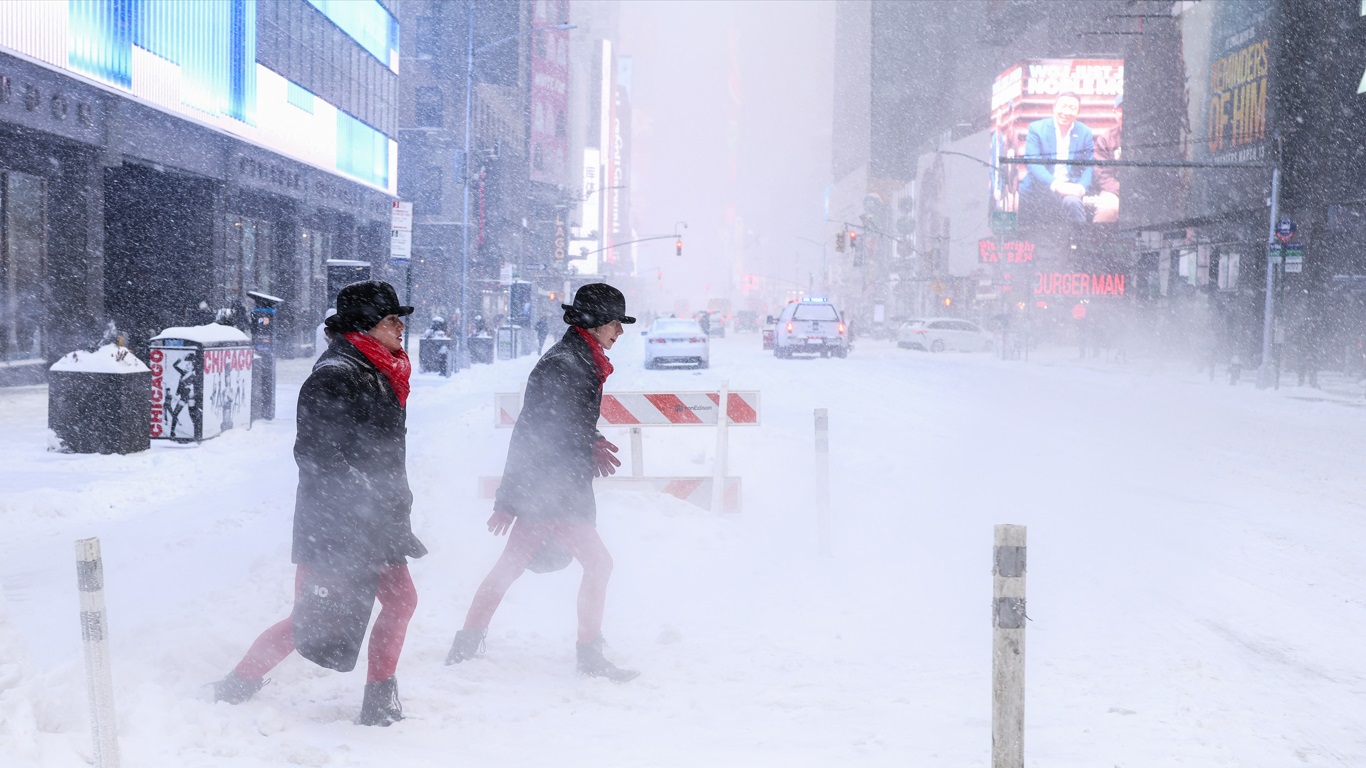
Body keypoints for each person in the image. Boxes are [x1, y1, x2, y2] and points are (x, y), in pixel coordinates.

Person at [212, 281, 426, 726]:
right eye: (391, 319)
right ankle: (235, 686)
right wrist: (366, 500)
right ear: (365, 325)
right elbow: (316, 456)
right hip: (338, 525)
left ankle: (378, 700)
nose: (400, 327)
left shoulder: (378, 369)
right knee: (309, 622)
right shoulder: (336, 374)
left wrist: (388, 506)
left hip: (376, 521)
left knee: (401, 600)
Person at [445, 282, 639, 683]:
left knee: (512, 566)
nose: (620, 332)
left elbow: (567, 423)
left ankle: (466, 643)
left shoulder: (580, 358)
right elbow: (534, 431)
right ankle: (588, 654)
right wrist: (509, 499)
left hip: (553, 485)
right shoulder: (564, 363)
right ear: (597, 322)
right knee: (598, 564)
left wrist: (592, 440)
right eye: (616, 323)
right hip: (553, 487)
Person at [1017, 92, 1095, 229]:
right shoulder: (1036, 129)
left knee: (1074, 204)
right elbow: (1033, 162)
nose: (1066, 112)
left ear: (1078, 112)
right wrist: (1056, 184)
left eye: (1072, 107)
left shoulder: (1085, 132)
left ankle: (1081, 243)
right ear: (1054, 107)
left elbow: (1089, 165)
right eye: (1063, 106)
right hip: (1040, 186)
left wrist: (1081, 187)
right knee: (1023, 214)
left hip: (1069, 187)